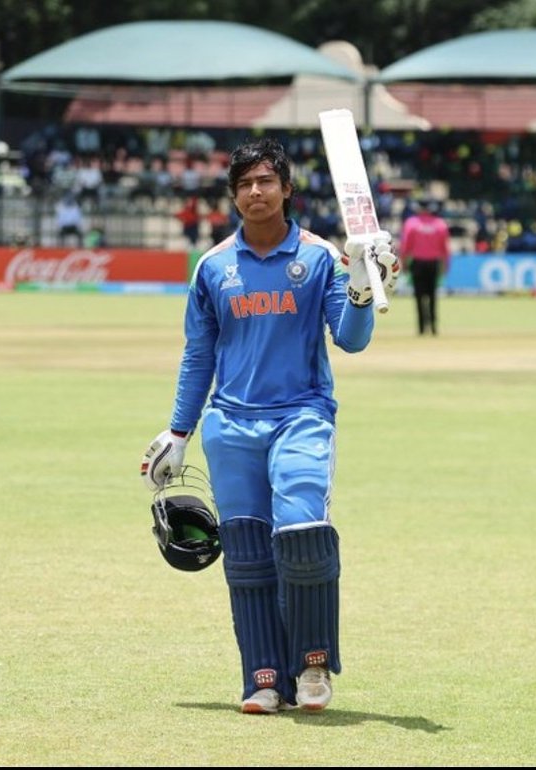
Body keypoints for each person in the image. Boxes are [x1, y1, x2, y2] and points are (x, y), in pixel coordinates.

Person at [140, 137, 399, 715]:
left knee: (303, 531)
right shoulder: (213, 268)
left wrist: (360, 288)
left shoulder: (321, 256)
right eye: (244, 184)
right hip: (230, 425)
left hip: (302, 416)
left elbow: (351, 340)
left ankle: (310, 667)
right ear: (234, 195)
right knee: (249, 554)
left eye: (266, 181)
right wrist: (179, 431)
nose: (256, 192)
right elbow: (197, 354)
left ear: (286, 188)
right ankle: (262, 677)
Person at [398, 198, 452, 335]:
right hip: (433, 264)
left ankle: (422, 328)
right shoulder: (440, 224)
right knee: (433, 296)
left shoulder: (411, 224)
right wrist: (446, 265)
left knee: (419, 296)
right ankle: (433, 327)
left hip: (418, 264)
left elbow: (405, 247)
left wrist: (403, 263)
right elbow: (445, 249)